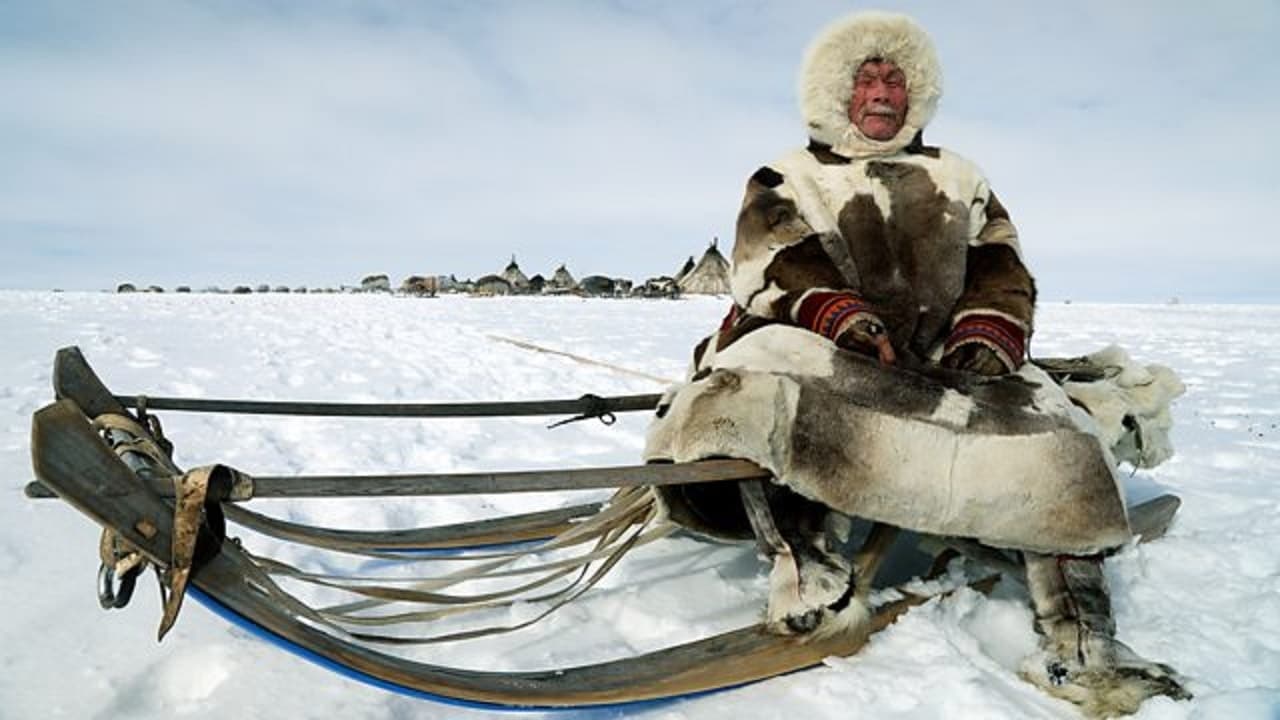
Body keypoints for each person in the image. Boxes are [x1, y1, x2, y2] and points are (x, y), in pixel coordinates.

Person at [651, 11, 1189, 717]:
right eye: (867, 78)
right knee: (753, 393)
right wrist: (842, 315)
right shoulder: (788, 175)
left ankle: (1084, 642)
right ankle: (806, 563)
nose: (882, 91)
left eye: (896, 79)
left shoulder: (959, 177)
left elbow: (1000, 263)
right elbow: (771, 260)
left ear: (917, 93)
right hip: (823, 344)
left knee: (1059, 436)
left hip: (941, 358)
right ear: (838, 91)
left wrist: (988, 330)